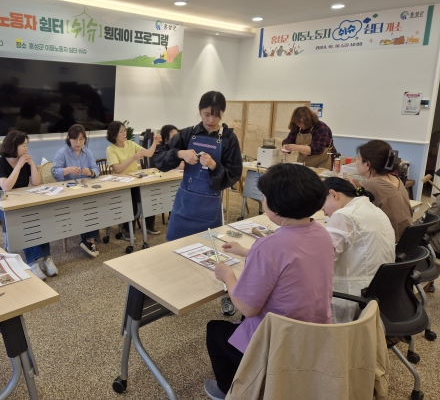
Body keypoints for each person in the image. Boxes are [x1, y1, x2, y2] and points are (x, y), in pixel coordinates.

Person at [203, 164, 334, 400]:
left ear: (275, 206)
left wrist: (227, 275)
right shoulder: (322, 234)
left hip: (277, 345)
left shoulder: (269, 246)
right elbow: (291, 258)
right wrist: (246, 251)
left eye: (264, 196)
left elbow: (247, 308)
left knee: (215, 330)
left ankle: (230, 391)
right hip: (314, 336)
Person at [155, 91, 242, 241]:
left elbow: (234, 174)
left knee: (207, 249)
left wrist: (214, 165)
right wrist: (180, 153)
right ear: (199, 110)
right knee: (176, 247)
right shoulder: (188, 134)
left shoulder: (228, 139)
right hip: (184, 204)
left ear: (223, 113)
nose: (211, 120)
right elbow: (159, 157)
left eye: (217, 115)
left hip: (209, 207)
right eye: (206, 114)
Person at [322, 177, 395, 323]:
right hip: (381, 291)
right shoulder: (374, 209)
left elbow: (323, 259)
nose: (324, 213)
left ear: (333, 194)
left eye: (322, 206)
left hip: (354, 297)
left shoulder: (344, 215)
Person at [0, 131, 58, 280]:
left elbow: (35, 183)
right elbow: (6, 187)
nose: (26, 149)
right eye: (23, 145)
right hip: (2, 205)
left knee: (40, 217)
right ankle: (32, 262)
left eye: (27, 145)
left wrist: (32, 164)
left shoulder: (25, 162)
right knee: (25, 220)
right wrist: (19, 165)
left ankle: (46, 258)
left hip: (22, 203)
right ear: (13, 146)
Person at [105, 121, 162, 237]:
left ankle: (149, 225)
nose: (124, 133)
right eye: (121, 132)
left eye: (124, 130)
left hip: (135, 180)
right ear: (114, 134)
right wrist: (133, 158)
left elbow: (149, 154)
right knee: (132, 202)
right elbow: (118, 169)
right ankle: (127, 230)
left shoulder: (131, 144)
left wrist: (155, 142)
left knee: (149, 195)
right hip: (121, 184)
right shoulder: (111, 149)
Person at [51, 124, 101, 257]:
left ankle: (89, 240)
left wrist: (91, 172)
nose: (78, 143)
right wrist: (67, 170)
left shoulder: (88, 153)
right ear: (69, 139)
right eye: (75, 139)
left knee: (94, 204)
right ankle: (89, 240)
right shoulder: (62, 152)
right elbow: (54, 172)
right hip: (69, 193)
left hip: (85, 190)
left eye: (81, 139)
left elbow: (96, 169)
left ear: (85, 140)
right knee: (86, 206)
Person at [355, 139, 412, 242]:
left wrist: (349, 188)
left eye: (358, 158)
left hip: (390, 241)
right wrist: (358, 188)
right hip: (406, 239)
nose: (356, 161)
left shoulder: (372, 184)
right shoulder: (395, 179)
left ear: (367, 164)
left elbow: (354, 207)